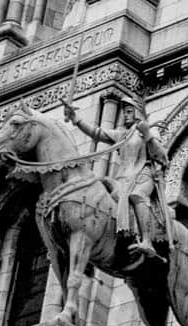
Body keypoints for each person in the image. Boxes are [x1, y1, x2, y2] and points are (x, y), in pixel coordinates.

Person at [63, 93, 170, 260]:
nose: (125, 115)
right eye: (124, 112)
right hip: (124, 177)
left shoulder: (150, 130)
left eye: (128, 111)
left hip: (144, 174)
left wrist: (147, 134)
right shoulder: (122, 134)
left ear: (137, 113)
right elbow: (97, 133)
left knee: (137, 195)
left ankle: (147, 241)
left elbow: (162, 156)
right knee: (101, 186)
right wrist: (76, 118)